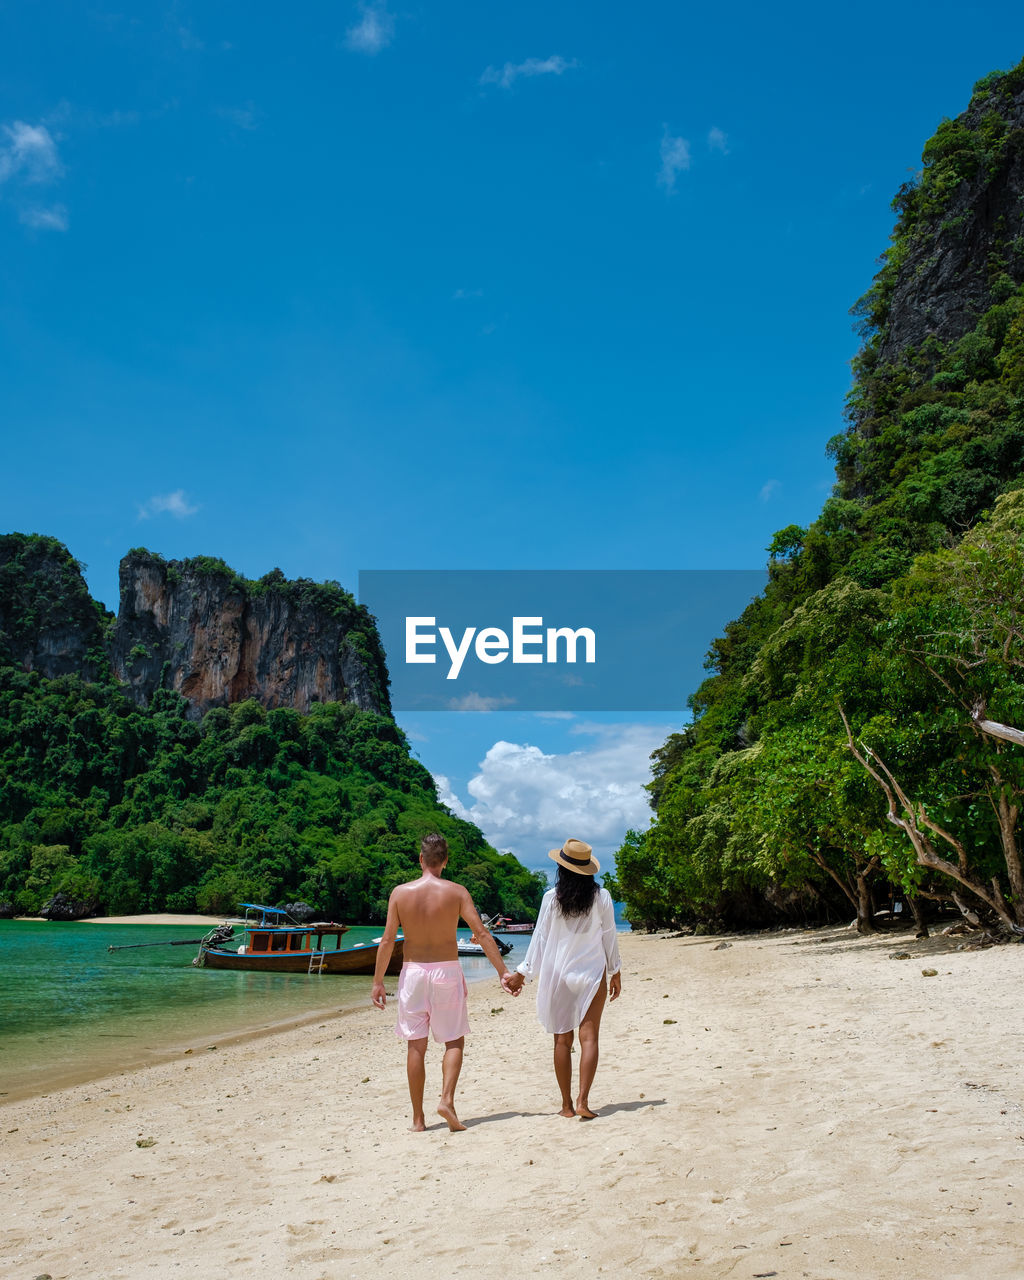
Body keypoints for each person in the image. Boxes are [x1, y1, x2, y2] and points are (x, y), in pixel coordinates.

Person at [372, 832, 513, 1133]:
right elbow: (484, 934)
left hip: (412, 973)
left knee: (416, 1045)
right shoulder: (457, 892)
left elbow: (386, 941)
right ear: (445, 861)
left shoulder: (400, 893)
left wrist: (378, 982)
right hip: (446, 971)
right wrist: (502, 972)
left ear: (421, 859)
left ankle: (418, 1120)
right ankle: (446, 1100)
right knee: (453, 1040)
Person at [503, 838, 622, 1119]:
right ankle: (583, 1101)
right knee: (589, 1038)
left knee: (562, 1041)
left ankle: (567, 1106)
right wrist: (615, 970)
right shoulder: (602, 897)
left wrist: (523, 973)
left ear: (562, 868)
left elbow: (540, 939)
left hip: (559, 976)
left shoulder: (551, 898)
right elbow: (609, 936)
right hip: (592, 974)